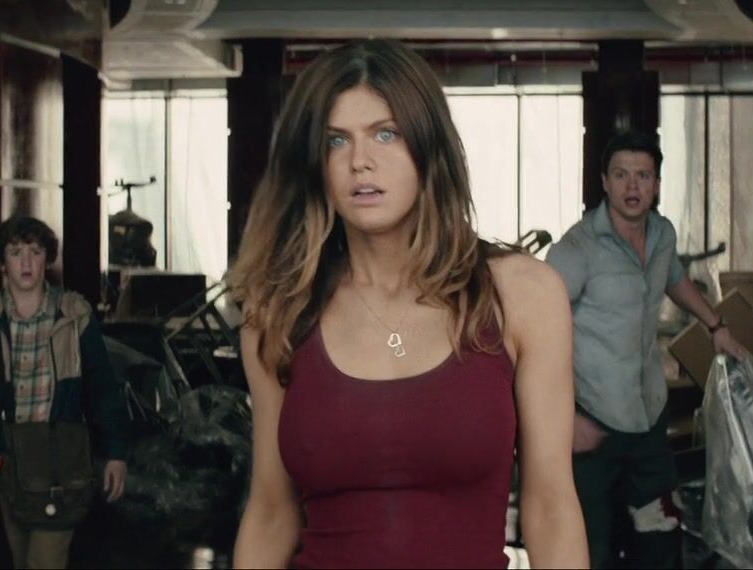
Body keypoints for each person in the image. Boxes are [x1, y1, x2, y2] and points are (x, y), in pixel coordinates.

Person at [229, 39, 587, 569]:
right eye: (335, 141)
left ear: (427, 146)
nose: (360, 162)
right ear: (314, 163)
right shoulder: (277, 313)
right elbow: (270, 512)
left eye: (386, 133)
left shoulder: (523, 295)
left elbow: (551, 507)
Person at [544, 130, 749, 568]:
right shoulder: (577, 249)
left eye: (643, 175)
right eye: (621, 175)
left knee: (660, 538)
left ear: (656, 183)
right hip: (591, 423)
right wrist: (565, 417)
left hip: (648, 417)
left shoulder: (661, 235)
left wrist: (716, 325)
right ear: (605, 181)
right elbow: (537, 329)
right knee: (590, 549)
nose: (632, 186)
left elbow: (673, 278)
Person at [0, 216, 130, 569]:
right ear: (2, 263)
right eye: (16, 252)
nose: (26, 262)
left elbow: (102, 386)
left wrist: (116, 451)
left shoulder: (74, 314)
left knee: (44, 561)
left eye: (35, 252)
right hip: (8, 462)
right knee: (22, 560)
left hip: (60, 463)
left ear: (47, 259)